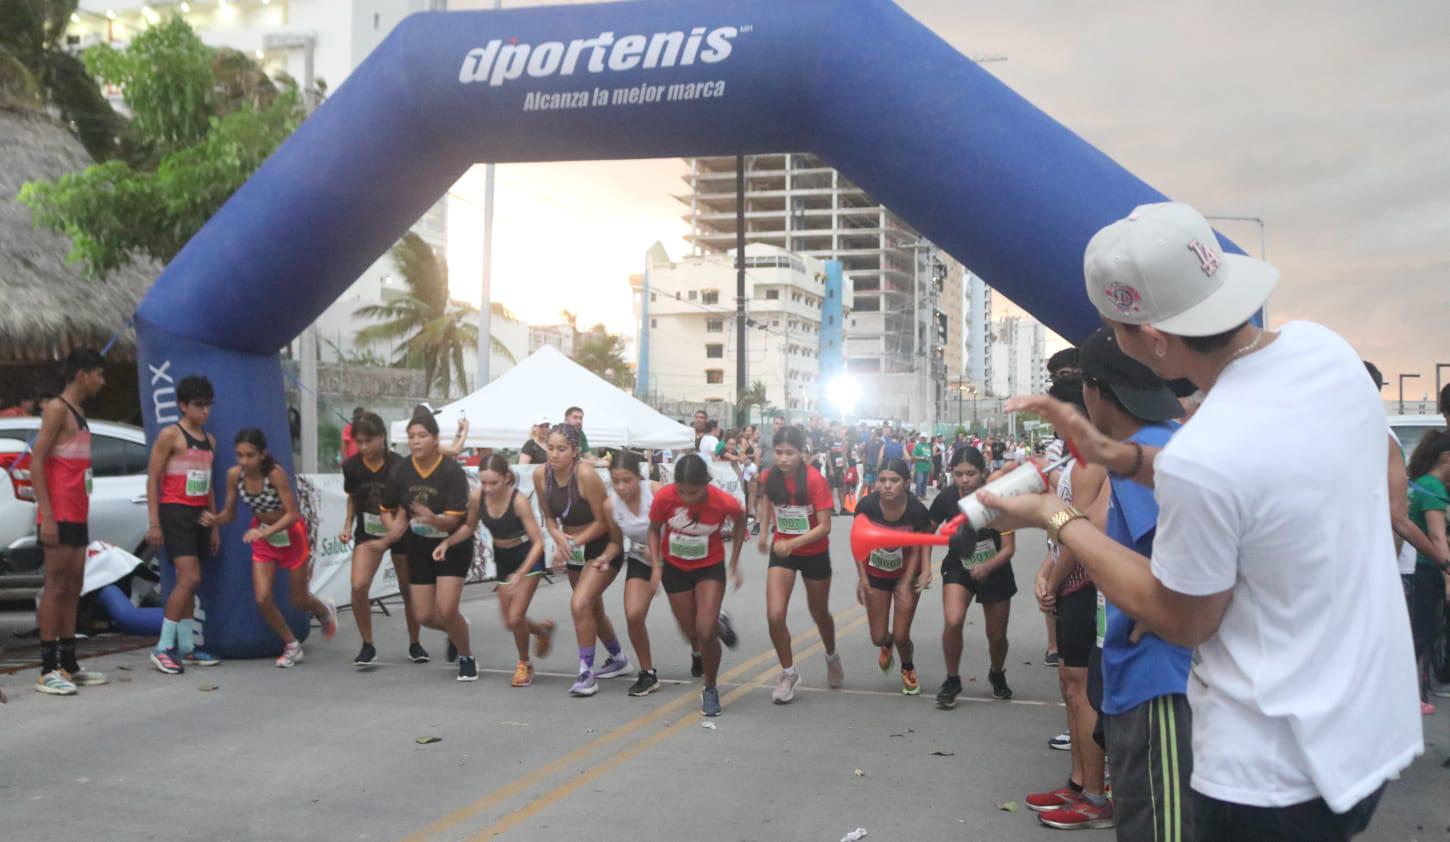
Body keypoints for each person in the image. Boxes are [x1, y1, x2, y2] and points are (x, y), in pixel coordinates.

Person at [986, 202, 1420, 840]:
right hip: (1367, 733)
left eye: (1120, 330)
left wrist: (1057, 515)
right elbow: (1257, 472)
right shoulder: (1323, 352)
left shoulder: (1206, 454)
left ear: (1154, 340)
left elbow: (1185, 617)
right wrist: (1124, 458)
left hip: (1272, 771)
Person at [1037, 327, 1191, 835]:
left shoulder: (1148, 451)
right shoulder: (1150, 445)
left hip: (1160, 679)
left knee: (1161, 824)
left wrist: (1049, 518)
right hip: (1138, 670)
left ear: (1095, 391)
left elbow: (1179, 559)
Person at [210, 428, 337, 668]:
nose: (244, 461)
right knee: (262, 597)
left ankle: (323, 611)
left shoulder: (275, 474)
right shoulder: (234, 476)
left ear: (262, 454)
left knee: (298, 600)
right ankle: (291, 644)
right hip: (263, 537)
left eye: (250, 455)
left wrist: (266, 531)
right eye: (239, 455)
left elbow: (292, 514)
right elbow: (230, 513)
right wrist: (215, 519)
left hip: (290, 536)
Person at [29, 349, 109, 695]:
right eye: (98, 374)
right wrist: (46, 513)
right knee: (57, 584)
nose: (102, 382)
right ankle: (47, 668)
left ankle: (68, 661)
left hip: (78, 511)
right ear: (81, 375)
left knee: (75, 584)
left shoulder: (79, 411)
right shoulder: (57, 410)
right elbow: (36, 462)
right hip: (58, 512)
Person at [438, 454, 555, 687]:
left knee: (515, 616)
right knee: (510, 622)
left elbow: (538, 542)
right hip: (503, 558)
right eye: (483, 482)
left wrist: (521, 573)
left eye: (494, 483)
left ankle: (524, 664)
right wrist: (447, 543)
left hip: (528, 556)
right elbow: (469, 527)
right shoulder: (477, 498)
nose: (488, 488)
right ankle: (541, 631)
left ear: (506, 478)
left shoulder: (518, 502)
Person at [378, 410, 477, 681]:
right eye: (411, 437)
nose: (416, 442)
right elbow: (385, 508)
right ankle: (457, 628)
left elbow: (454, 523)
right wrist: (393, 527)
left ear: (435, 439)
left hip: (452, 543)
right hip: (418, 544)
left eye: (422, 436)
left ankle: (467, 658)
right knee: (422, 614)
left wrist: (434, 518)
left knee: (446, 609)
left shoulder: (451, 471)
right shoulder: (400, 470)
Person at [533, 422, 629, 696]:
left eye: (561, 449)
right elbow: (549, 517)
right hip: (574, 545)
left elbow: (603, 522)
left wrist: (573, 540)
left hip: (604, 544)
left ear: (575, 451)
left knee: (579, 603)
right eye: (550, 448)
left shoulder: (586, 475)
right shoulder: (541, 475)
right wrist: (556, 535)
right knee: (590, 608)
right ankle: (618, 658)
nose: (554, 454)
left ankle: (586, 674)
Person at [648, 455, 747, 716]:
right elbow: (653, 529)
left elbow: (740, 521)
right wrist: (657, 565)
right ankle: (718, 622)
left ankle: (711, 687)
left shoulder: (723, 501)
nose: (688, 497)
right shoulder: (665, 498)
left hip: (709, 568)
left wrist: (734, 562)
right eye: (682, 491)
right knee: (690, 632)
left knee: (705, 633)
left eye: (694, 492)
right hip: (675, 569)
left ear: (706, 483)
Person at [756, 425, 842, 703]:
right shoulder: (769, 476)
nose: (783, 459)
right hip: (783, 553)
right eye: (779, 452)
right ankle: (788, 672)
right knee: (774, 614)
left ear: (802, 453)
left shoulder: (815, 481)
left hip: (814, 552)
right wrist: (765, 530)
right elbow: (768, 502)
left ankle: (831, 654)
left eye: (789, 453)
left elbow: (825, 527)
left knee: (819, 612)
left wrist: (793, 543)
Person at [145, 375, 222, 675]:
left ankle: (187, 647)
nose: (204, 411)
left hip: (200, 513)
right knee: (189, 578)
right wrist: (154, 522)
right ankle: (163, 646)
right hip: (175, 512)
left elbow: (209, 483)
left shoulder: (210, 440)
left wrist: (214, 523)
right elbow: (153, 478)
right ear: (182, 406)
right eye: (198, 406)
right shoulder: (170, 436)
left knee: (192, 581)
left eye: (208, 406)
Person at [930, 446, 1017, 707]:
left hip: (995, 567)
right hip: (959, 566)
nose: (965, 479)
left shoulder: (998, 499)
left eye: (971, 473)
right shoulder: (946, 498)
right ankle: (952, 679)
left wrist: (988, 567)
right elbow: (925, 533)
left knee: (996, 635)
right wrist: (924, 567)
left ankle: (997, 673)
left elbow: (1009, 548)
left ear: (983, 472)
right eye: (958, 474)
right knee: (953, 620)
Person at [340, 411, 425, 666]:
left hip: (400, 529)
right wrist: (347, 524)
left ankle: (415, 643)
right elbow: (353, 497)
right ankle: (367, 644)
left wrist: (394, 532)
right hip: (368, 531)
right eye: (359, 442)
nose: (364, 447)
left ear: (382, 438)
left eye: (369, 440)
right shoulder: (352, 466)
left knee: (407, 589)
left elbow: (405, 503)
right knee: (358, 586)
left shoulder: (399, 465)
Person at [590, 450, 672, 695]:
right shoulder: (610, 505)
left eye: (627, 480)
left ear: (640, 476)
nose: (621, 487)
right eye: (615, 481)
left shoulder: (656, 491)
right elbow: (615, 542)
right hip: (641, 558)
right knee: (634, 614)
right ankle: (648, 673)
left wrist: (661, 555)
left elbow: (681, 526)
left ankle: (699, 649)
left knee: (692, 621)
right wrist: (604, 558)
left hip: (674, 555)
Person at [852, 458, 932, 695]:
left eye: (894, 481)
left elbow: (921, 544)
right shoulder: (866, 507)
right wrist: (862, 577)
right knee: (878, 637)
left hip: (906, 573)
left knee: (901, 634)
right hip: (876, 574)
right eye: (882, 480)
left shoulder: (917, 510)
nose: (887, 485)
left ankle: (907, 667)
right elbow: (857, 542)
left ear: (906, 483)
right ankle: (885, 644)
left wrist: (915, 575)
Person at [1407, 432, 1450, 713]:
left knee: (1418, 635)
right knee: (1422, 635)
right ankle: (1409, 695)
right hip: (1425, 568)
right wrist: (1448, 577)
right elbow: (1437, 536)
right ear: (1446, 458)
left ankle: (1408, 693)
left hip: (1415, 567)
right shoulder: (1433, 486)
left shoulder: (1421, 483)